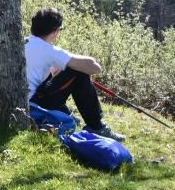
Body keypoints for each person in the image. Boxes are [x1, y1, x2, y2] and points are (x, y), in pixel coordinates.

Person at [25, 7, 125, 141]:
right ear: (55, 31)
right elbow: (95, 68)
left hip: (23, 99)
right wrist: (70, 63)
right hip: (33, 104)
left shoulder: (23, 42)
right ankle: (97, 126)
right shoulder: (50, 51)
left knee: (59, 73)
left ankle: (66, 113)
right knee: (79, 72)